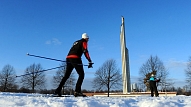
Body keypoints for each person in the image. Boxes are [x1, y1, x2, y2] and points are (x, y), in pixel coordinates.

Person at [55, 33, 93, 97]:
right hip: (76, 58)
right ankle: (77, 91)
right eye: (88, 39)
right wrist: (90, 61)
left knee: (66, 75)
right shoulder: (84, 42)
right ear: (86, 38)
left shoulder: (76, 42)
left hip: (68, 58)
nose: (88, 40)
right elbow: (85, 51)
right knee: (81, 74)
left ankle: (57, 90)